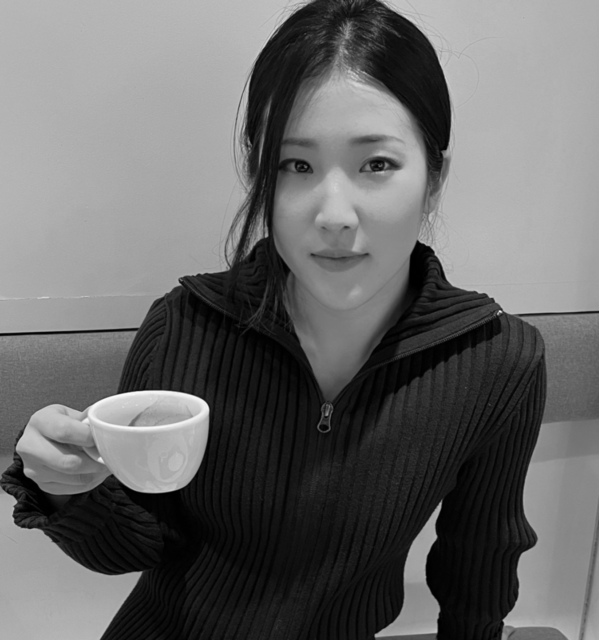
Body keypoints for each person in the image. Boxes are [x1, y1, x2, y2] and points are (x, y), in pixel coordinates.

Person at [1, 1, 546, 638]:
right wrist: (67, 487)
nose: (334, 215)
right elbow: (137, 544)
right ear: (259, 171)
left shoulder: (498, 361)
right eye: (296, 165)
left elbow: (477, 572)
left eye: (376, 164)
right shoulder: (185, 324)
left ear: (434, 177)